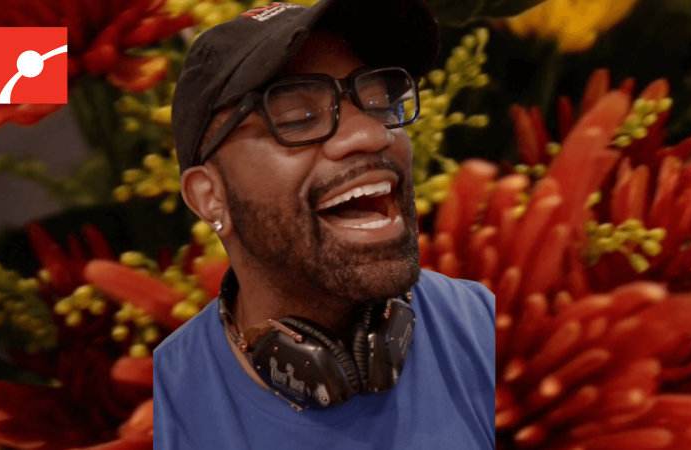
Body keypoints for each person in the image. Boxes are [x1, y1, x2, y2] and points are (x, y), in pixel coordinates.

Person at [153, 1, 496, 448]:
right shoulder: (162, 405)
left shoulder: (485, 325)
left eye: (381, 101)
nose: (372, 134)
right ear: (209, 197)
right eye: (296, 118)